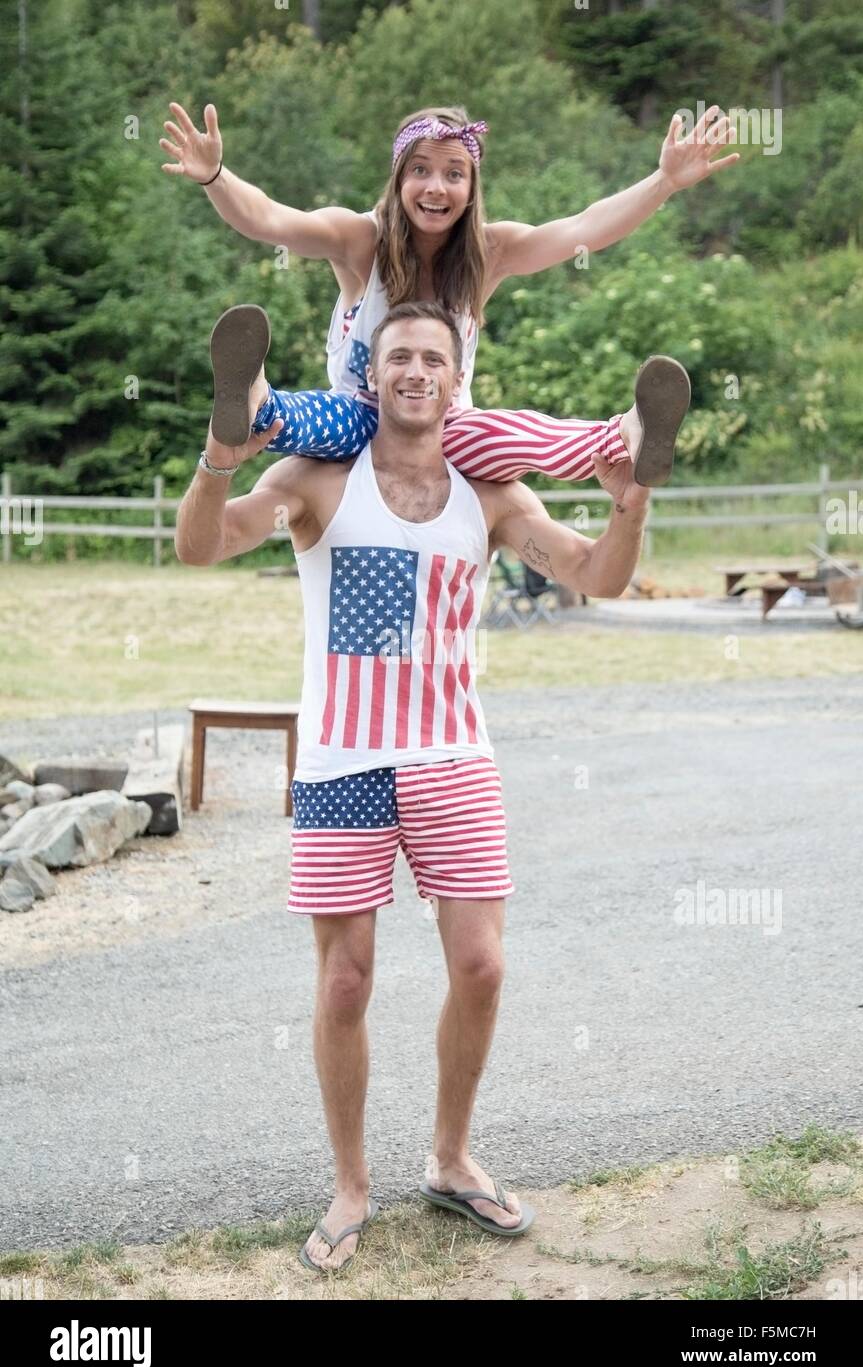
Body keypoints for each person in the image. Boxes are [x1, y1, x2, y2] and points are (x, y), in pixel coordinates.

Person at [174, 298, 690, 1273]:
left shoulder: (487, 493)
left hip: (453, 753)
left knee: (482, 966)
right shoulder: (317, 476)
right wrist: (219, 453)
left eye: (432, 358)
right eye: (396, 356)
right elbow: (202, 544)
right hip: (340, 758)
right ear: (368, 377)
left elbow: (595, 575)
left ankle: (450, 1159)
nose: (414, 370)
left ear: (456, 381)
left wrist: (630, 502)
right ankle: (349, 1186)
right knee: (343, 980)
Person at [161, 99, 733, 487]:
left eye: (454, 174)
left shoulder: (490, 252)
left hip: (444, 426)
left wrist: (664, 183)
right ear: (399, 179)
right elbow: (270, 219)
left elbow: (585, 228)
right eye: (421, 172)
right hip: (363, 412)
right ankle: (254, 399)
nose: (436, 188)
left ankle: (628, 434)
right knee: (317, 417)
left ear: (471, 187)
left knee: (508, 433)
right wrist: (216, 176)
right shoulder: (362, 240)